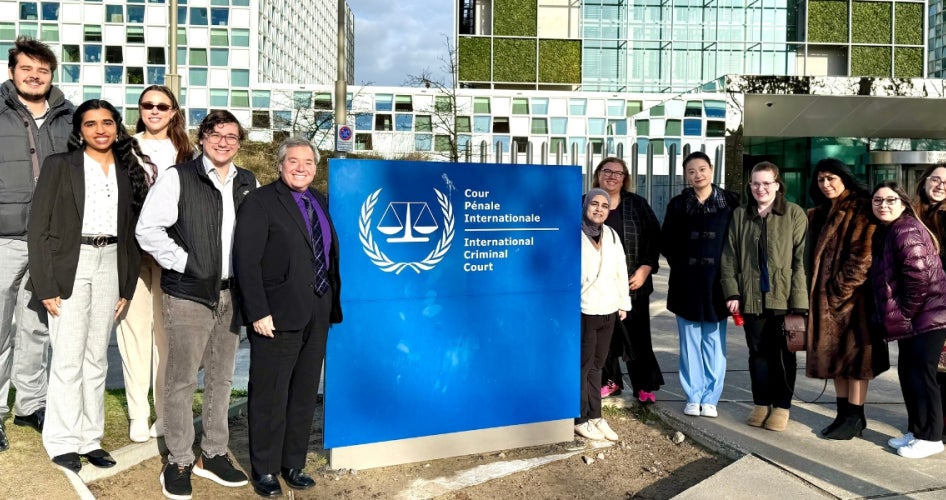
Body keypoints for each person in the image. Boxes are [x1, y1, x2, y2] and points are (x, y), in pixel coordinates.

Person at [136, 110, 256, 500]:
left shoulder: (248, 182)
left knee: (222, 377)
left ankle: (214, 453)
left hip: (231, 293)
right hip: (188, 293)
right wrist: (186, 263)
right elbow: (147, 229)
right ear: (202, 137)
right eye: (216, 134)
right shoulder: (179, 177)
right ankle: (180, 459)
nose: (224, 142)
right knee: (183, 378)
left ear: (240, 142)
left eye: (232, 137)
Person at [27, 99, 148, 472]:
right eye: (92, 124)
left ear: (116, 127)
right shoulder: (59, 166)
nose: (100, 130)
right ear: (79, 131)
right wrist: (45, 284)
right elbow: (38, 228)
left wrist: (127, 287)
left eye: (107, 122)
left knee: (96, 357)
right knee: (67, 358)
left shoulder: (129, 170)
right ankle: (62, 440)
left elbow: (131, 234)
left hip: (111, 263)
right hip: (71, 265)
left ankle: (89, 438)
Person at [234, 138, 342, 497]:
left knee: (304, 391)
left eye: (308, 162)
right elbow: (246, 263)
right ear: (280, 165)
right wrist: (258, 311)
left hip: (318, 310)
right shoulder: (260, 202)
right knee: (270, 394)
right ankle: (264, 469)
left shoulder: (320, 202)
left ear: (316, 166)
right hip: (276, 315)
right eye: (293, 161)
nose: (301, 167)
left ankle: (292, 463)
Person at [0, 35, 75, 451]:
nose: (34, 76)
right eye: (26, 68)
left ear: (51, 76)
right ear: (12, 72)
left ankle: (30, 404)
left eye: (42, 70)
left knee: (37, 328)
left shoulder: (69, 117)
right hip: (5, 235)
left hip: (50, 239)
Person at [116, 85, 193, 443]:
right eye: (148, 105)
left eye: (162, 106)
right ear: (140, 109)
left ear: (174, 111)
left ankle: (164, 413)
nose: (155, 111)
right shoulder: (124, 146)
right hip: (131, 252)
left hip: (172, 253)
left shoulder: (187, 152)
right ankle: (137, 412)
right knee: (133, 334)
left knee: (168, 338)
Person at [720, 162, 808, 431]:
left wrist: (799, 302)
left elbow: (800, 261)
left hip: (784, 298)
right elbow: (729, 255)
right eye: (756, 183)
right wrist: (732, 291)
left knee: (782, 354)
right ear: (750, 186)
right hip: (750, 296)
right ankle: (761, 402)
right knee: (757, 352)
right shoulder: (740, 215)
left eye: (767, 183)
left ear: (778, 185)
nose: (761, 188)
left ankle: (781, 406)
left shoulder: (794, 214)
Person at [806, 158, 888, 440]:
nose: (826, 184)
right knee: (835, 360)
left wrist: (838, 291)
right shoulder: (819, 213)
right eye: (820, 180)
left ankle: (856, 416)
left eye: (831, 178)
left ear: (844, 178)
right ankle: (843, 414)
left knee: (856, 362)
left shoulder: (860, 208)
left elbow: (862, 257)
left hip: (855, 302)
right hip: (826, 304)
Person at [868, 182, 946, 458]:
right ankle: (917, 431)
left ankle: (932, 437)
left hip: (926, 317)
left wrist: (904, 313)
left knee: (923, 378)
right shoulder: (892, 230)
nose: (883, 205)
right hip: (917, 318)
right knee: (910, 375)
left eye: (890, 200)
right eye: (877, 200)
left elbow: (918, 276)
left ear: (902, 203)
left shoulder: (906, 229)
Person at [661, 152, 739, 418]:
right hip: (687, 282)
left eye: (702, 169)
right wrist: (684, 266)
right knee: (690, 342)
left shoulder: (731, 202)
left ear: (712, 170)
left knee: (714, 342)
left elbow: (738, 241)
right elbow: (668, 241)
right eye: (692, 171)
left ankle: (711, 397)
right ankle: (693, 395)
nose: (698, 175)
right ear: (686, 175)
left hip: (719, 283)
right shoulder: (678, 204)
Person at [591, 157, 663, 403]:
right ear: (598, 174)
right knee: (605, 337)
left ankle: (643, 385)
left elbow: (654, 238)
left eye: (618, 173)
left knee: (637, 335)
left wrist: (645, 268)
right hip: (597, 286)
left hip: (633, 283)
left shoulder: (637, 204)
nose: (612, 176)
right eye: (606, 171)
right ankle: (610, 382)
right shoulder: (585, 203)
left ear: (625, 178)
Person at [576, 188, 631, 441]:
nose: (599, 209)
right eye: (594, 204)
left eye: (604, 206)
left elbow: (621, 268)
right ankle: (581, 418)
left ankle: (596, 415)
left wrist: (623, 303)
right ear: (585, 205)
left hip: (608, 309)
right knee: (583, 366)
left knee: (598, 366)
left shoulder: (611, 234)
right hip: (585, 309)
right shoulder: (574, 233)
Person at [914, 163, 946, 429]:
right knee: (917, 368)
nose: (940, 185)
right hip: (914, 306)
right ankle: (920, 425)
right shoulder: (913, 215)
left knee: (936, 368)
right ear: (924, 182)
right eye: (935, 179)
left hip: (941, 306)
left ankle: (935, 429)